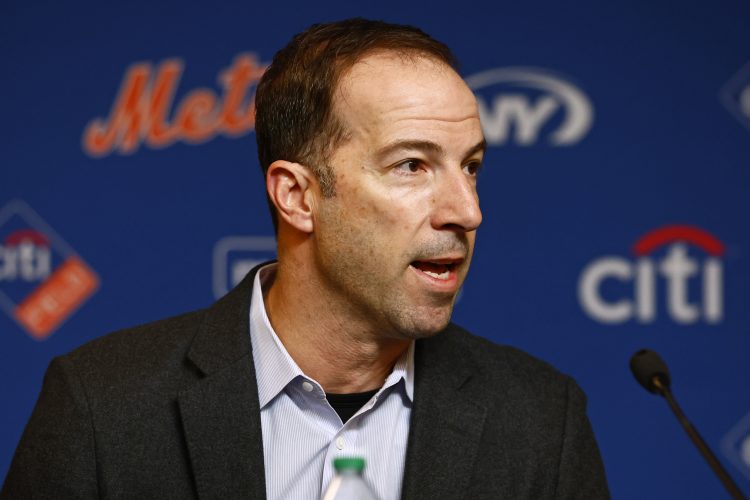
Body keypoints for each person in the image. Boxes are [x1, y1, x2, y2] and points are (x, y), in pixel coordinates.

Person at [2, 18, 609, 499]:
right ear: (297, 196)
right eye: (411, 166)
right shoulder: (103, 406)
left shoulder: (540, 423)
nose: (467, 210)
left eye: (471, 166)